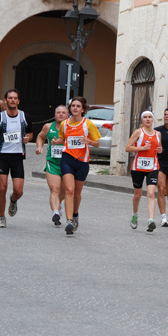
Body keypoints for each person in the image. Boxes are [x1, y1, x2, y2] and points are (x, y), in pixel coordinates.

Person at [51, 97, 101, 235]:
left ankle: (75, 213)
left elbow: (97, 143)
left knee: (77, 194)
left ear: (83, 109)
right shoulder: (65, 124)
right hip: (67, 159)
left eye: (78, 106)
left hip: (82, 162)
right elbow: (63, 139)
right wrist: (56, 141)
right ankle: (69, 221)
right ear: (70, 108)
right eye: (73, 106)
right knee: (69, 190)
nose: (75, 108)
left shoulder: (88, 124)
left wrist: (89, 141)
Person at [0, 89, 33, 228]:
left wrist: (27, 138)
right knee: (2, 188)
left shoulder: (25, 117)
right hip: (3, 156)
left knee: (18, 191)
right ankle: (2, 217)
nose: (12, 100)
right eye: (10, 98)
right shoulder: (0, 118)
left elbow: (30, 134)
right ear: (5, 100)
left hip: (18, 157)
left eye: (15, 98)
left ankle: (13, 200)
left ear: (18, 101)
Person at [126, 110, 162, 232]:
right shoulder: (138, 132)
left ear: (153, 120)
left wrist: (160, 150)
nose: (147, 119)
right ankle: (135, 215)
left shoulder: (158, 134)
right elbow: (128, 148)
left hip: (153, 166)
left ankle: (151, 220)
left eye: (150, 117)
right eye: (145, 117)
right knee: (138, 195)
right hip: (138, 167)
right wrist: (142, 148)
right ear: (142, 120)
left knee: (151, 193)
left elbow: (159, 149)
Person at [35, 105, 69, 226]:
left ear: (67, 115)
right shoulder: (48, 127)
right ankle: (55, 213)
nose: (60, 114)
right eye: (58, 112)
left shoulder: (71, 128)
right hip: (52, 163)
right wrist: (39, 147)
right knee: (54, 189)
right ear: (54, 115)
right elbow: (40, 136)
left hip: (68, 164)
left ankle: (58, 204)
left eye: (63, 113)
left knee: (64, 192)